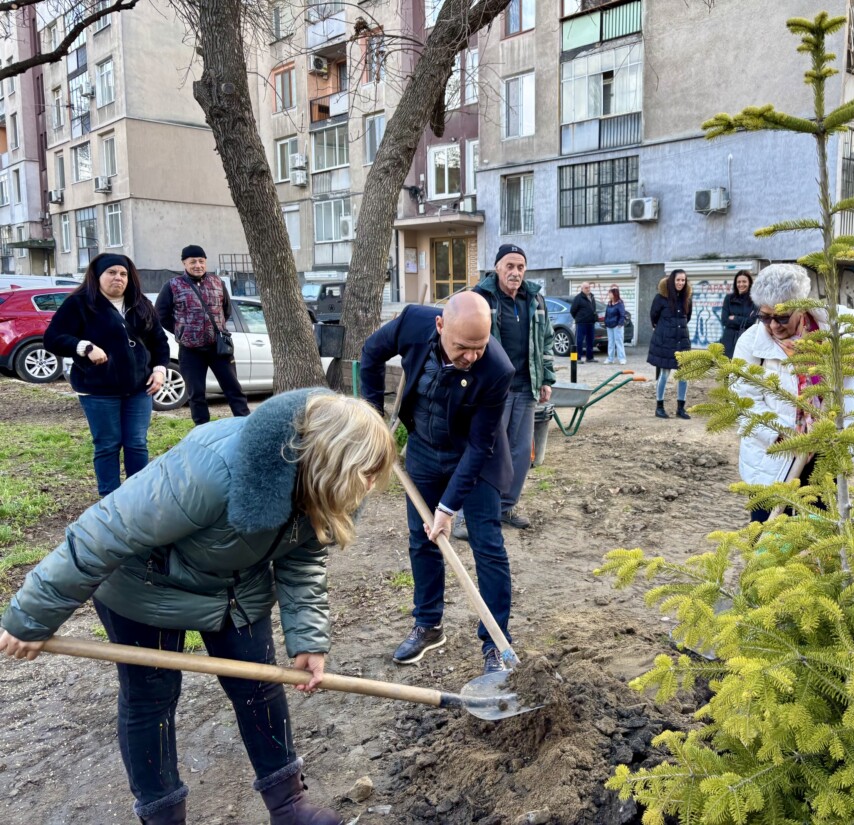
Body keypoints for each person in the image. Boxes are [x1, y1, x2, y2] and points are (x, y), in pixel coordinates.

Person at [0, 390, 396, 825]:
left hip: (233, 585)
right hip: (146, 582)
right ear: (328, 461)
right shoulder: (215, 470)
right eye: (366, 474)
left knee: (260, 687)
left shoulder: (327, 487)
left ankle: (288, 805)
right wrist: (30, 618)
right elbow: (100, 534)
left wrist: (308, 638)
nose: (372, 486)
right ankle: (163, 816)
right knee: (152, 697)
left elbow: (304, 555)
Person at [360, 292, 516, 674]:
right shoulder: (413, 322)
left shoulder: (497, 369)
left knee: (487, 545)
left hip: (475, 460)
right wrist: (372, 416)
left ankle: (496, 642)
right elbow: (370, 354)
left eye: (479, 347)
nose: (471, 357)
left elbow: (481, 445)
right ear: (440, 326)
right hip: (424, 451)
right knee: (422, 540)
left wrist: (447, 509)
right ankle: (428, 625)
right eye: (462, 347)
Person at [733, 263, 854, 522]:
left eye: (782, 317)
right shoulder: (750, 344)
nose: (773, 326)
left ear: (802, 306)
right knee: (767, 535)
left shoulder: (829, 322)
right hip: (775, 457)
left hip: (827, 450)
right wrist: (782, 438)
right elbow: (744, 404)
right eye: (765, 316)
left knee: (822, 533)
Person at [449, 244, 554, 539]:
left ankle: (505, 507)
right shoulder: (481, 298)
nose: (515, 273)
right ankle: (462, 515)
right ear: (497, 267)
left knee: (520, 454)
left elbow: (545, 343)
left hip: (526, 387)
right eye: (509, 266)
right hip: (493, 391)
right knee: (483, 451)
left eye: (520, 267)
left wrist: (546, 379)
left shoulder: (535, 300)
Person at [43, 254, 170, 497]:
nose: (118, 278)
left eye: (123, 274)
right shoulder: (80, 303)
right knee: (108, 445)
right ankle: (109, 499)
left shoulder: (141, 303)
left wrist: (160, 369)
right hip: (98, 390)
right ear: (98, 276)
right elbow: (53, 339)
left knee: (137, 444)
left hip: (139, 389)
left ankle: (137, 497)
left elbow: (159, 341)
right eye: (111, 272)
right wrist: (85, 347)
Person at [155, 245, 249, 426]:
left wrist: (216, 328)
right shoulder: (172, 286)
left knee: (234, 389)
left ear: (205, 262)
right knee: (196, 394)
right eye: (193, 262)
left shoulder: (218, 282)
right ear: (184, 263)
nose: (197, 265)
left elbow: (226, 310)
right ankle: (202, 430)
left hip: (219, 347)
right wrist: (182, 331)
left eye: (201, 261)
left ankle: (244, 425)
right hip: (190, 350)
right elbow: (160, 315)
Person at [647, 269, 694, 420]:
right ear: (672, 281)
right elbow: (653, 316)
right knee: (664, 374)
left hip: (682, 340)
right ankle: (659, 407)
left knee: (684, 374)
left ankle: (681, 408)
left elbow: (687, 317)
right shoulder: (660, 298)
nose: (680, 283)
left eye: (683, 280)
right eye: (678, 280)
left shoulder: (687, 298)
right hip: (665, 341)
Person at [720, 272, 757, 358]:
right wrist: (744, 319)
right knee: (726, 367)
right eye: (738, 282)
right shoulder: (729, 298)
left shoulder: (754, 300)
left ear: (749, 283)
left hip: (746, 339)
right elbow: (724, 320)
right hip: (728, 340)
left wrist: (734, 318)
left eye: (744, 281)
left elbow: (751, 322)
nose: (741, 284)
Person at [570, 282, 598, 363]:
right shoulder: (578, 298)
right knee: (579, 340)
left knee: (590, 340)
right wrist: (579, 318)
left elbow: (593, 308)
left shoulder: (592, 297)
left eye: (589, 287)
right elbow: (573, 310)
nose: (588, 289)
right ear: (582, 289)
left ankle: (589, 357)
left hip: (591, 322)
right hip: (581, 323)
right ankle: (577, 358)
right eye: (586, 287)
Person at [603, 286, 628, 365]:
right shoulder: (609, 303)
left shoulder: (620, 303)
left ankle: (622, 359)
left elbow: (622, 314)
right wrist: (606, 322)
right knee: (611, 342)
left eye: (610, 293)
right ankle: (610, 358)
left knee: (619, 342)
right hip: (609, 325)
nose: (609, 295)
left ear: (614, 294)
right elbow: (606, 313)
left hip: (617, 326)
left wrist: (620, 324)